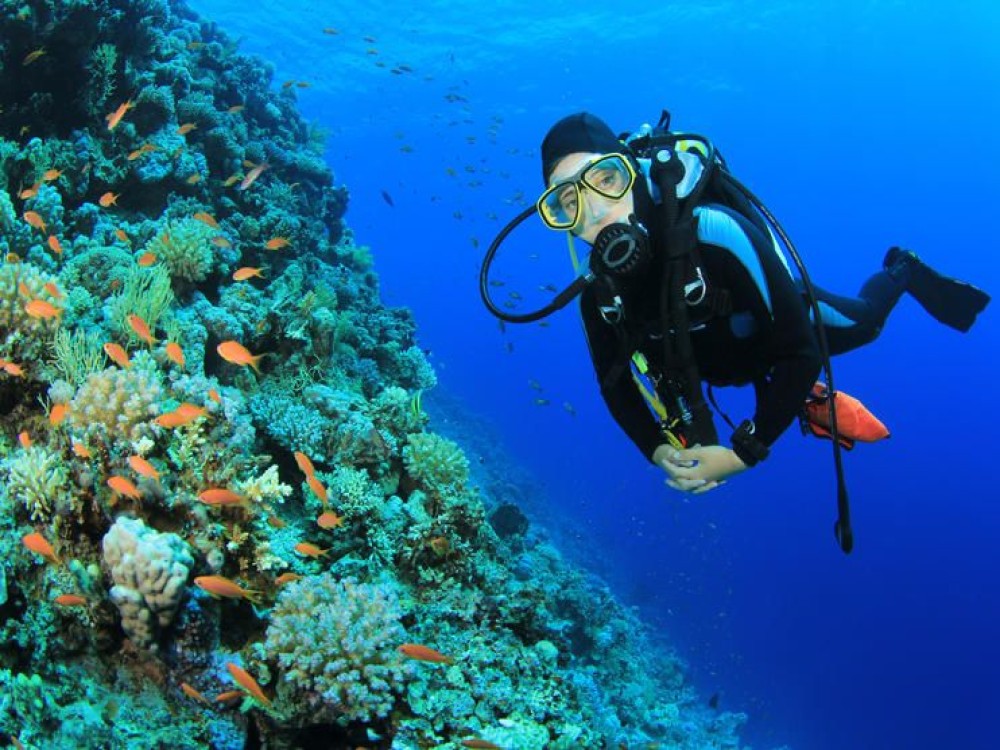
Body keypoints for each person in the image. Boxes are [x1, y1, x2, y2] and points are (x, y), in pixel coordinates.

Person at [528, 111, 990, 498]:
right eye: (568, 200)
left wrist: (741, 455)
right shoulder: (598, 296)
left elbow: (802, 350)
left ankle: (903, 269)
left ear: (633, 172)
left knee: (864, 325)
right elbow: (615, 386)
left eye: (606, 178)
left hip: (776, 326)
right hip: (713, 360)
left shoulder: (715, 232)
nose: (595, 210)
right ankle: (797, 396)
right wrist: (656, 448)